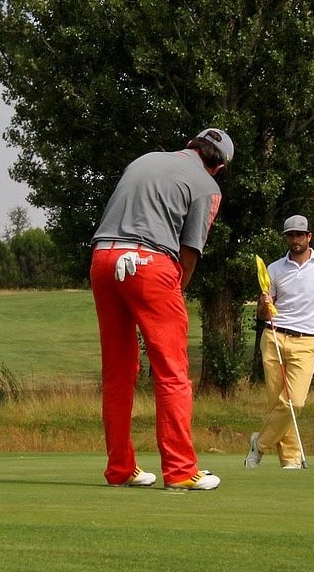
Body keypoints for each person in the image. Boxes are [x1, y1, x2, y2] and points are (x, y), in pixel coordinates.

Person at [90, 127, 233, 491]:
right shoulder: (207, 186)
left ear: (190, 145)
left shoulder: (146, 159)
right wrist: (176, 292)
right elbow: (189, 251)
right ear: (219, 167)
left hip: (103, 260)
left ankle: (120, 469)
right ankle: (181, 471)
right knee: (172, 371)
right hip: (149, 263)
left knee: (118, 373)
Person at [246, 214, 314, 470]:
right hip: (274, 337)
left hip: (306, 341)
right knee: (278, 404)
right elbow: (263, 314)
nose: (295, 240)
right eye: (290, 235)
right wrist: (264, 306)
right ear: (286, 238)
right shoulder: (274, 269)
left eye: (300, 235)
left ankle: (259, 444)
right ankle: (291, 460)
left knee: (294, 402)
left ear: (309, 236)